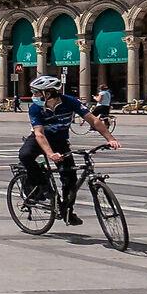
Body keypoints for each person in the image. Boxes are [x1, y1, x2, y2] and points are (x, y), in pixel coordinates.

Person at [21, 73, 120, 225]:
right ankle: (41, 185)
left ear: (48, 93)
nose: (33, 96)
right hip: (40, 139)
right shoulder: (35, 108)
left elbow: (93, 120)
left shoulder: (70, 102)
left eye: (36, 92)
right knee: (25, 155)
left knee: (70, 178)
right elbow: (39, 134)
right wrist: (50, 154)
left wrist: (110, 139)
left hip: (60, 141)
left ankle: (67, 211)